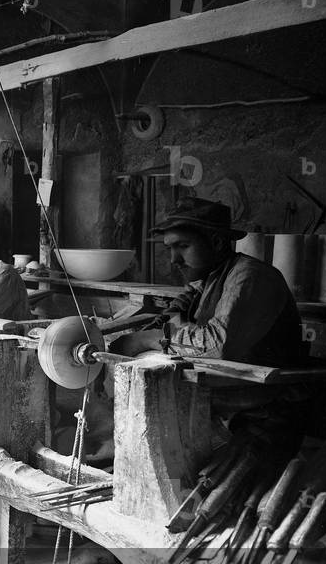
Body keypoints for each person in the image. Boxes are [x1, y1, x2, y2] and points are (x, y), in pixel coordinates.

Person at [111, 197, 308, 468]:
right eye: (169, 248)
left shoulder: (249, 277)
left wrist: (153, 339)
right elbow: (175, 313)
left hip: (262, 411)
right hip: (220, 401)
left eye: (183, 246)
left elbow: (217, 345)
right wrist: (163, 326)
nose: (173, 260)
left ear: (216, 242)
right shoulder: (210, 276)